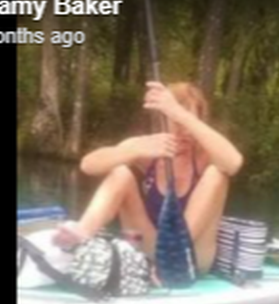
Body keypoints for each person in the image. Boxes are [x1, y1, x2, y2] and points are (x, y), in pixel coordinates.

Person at [58, 82, 244, 274]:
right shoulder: (152, 147)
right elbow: (88, 165)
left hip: (192, 256)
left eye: (189, 121)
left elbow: (234, 163)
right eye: (176, 122)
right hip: (154, 248)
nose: (186, 131)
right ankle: (79, 237)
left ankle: (172, 257)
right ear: (162, 119)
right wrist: (133, 151)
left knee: (217, 175)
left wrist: (180, 114)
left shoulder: (206, 154)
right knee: (120, 172)